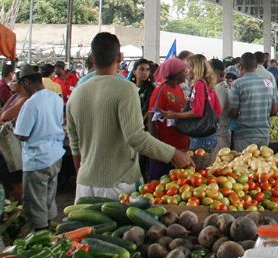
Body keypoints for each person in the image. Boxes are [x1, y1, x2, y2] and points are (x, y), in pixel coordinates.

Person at [67, 33, 193, 199]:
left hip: (85, 185)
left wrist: (85, 175)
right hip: (118, 185)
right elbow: (135, 136)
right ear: (119, 56)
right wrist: (173, 154)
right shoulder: (126, 89)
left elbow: (74, 145)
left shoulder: (77, 93)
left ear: (91, 57)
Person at [12, 65, 64, 230]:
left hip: (37, 159)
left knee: (35, 203)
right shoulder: (55, 97)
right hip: (55, 155)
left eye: (21, 85)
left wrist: (13, 127)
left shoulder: (31, 104)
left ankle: (41, 236)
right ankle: (49, 231)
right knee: (48, 198)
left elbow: (22, 134)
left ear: (26, 82)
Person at [164, 54, 222, 150]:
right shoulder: (209, 84)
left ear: (196, 68)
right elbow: (218, 110)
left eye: (189, 67)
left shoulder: (199, 84)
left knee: (197, 163)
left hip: (200, 136)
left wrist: (175, 115)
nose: (186, 70)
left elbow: (197, 112)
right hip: (211, 134)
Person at [148, 58, 190, 180]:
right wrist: (155, 148)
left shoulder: (179, 89)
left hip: (180, 146)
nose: (186, 73)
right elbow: (152, 118)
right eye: (184, 71)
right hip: (165, 149)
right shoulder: (161, 90)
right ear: (176, 74)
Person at [229, 52, 278, 151]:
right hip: (264, 134)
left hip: (244, 135)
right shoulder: (268, 83)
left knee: (243, 164)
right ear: (256, 66)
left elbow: (233, 112)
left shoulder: (237, 84)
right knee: (261, 164)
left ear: (240, 66)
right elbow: (274, 111)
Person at [210, 59, 231, 152]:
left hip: (220, 135)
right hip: (221, 133)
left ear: (216, 73)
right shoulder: (220, 87)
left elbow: (216, 113)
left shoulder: (220, 89)